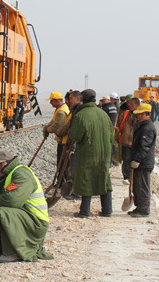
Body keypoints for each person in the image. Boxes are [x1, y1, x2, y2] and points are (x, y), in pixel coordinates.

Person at [0, 151, 53, 262]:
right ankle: (11, 246)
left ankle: (13, 253)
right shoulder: (11, 175)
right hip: (29, 220)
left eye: (1, 164)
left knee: (2, 213)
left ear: (10, 162)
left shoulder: (21, 174)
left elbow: (12, 201)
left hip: (37, 223)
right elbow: (5, 201)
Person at [68, 89, 113, 218]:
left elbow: (75, 136)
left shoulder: (81, 115)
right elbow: (111, 135)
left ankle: (85, 211)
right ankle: (107, 210)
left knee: (85, 179)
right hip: (104, 153)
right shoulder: (103, 114)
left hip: (88, 153)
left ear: (82, 99)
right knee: (104, 178)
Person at [128, 103, 157, 217]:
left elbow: (144, 146)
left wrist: (137, 159)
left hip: (144, 163)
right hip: (140, 162)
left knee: (142, 186)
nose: (139, 116)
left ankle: (144, 209)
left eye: (141, 114)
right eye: (138, 114)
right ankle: (139, 206)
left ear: (148, 115)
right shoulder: (142, 126)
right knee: (137, 186)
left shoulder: (148, 128)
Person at [43, 92, 69, 169]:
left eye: (51, 100)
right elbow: (53, 121)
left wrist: (47, 129)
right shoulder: (59, 109)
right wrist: (47, 127)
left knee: (62, 165)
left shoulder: (61, 112)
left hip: (64, 141)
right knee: (60, 164)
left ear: (57, 101)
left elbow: (56, 127)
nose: (50, 102)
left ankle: (61, 179)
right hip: (62, 141)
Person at [117, 95, 140, 184]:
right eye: (127, 103)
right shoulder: (125, 113)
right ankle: (126, 177)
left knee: (133, 160)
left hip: (134, 142)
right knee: (126, 160)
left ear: (137, 104)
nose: (129, 105)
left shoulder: (139, 114)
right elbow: (120, 123)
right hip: (126, 140)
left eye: (130, 103)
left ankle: (133, 177)